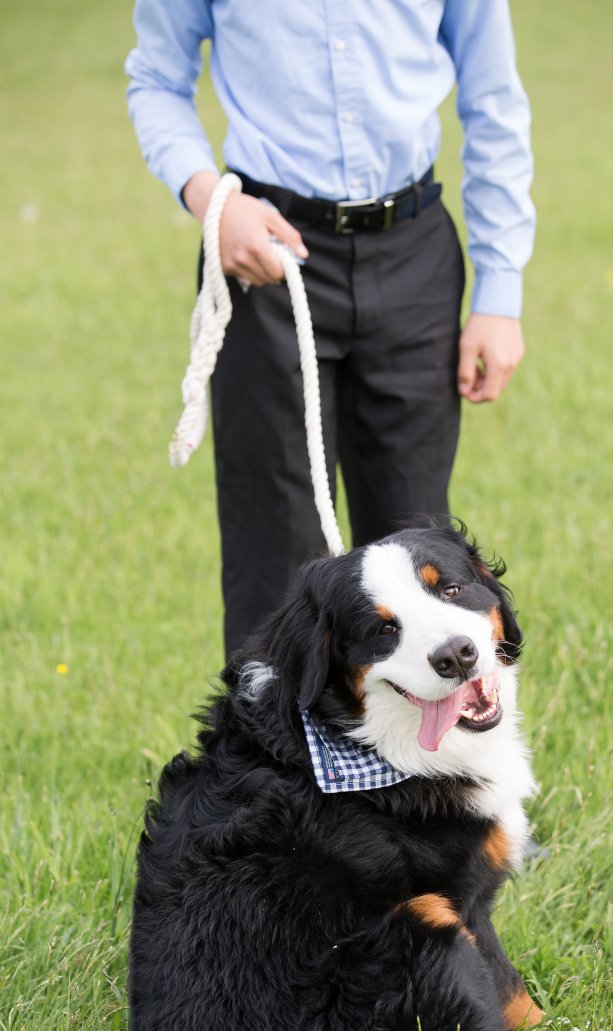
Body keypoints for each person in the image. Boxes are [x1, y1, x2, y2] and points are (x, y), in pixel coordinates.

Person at [126, 1, 535, 658]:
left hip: (414, 258)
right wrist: (213, 201)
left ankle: (431, 731)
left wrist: (500, 292)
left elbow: (494, 99)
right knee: (274, 562)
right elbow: (155, 80)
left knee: (420, 558)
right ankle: (275, 732)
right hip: (264, 258)